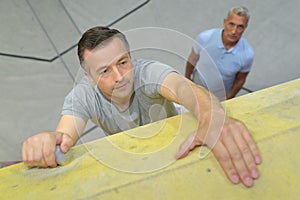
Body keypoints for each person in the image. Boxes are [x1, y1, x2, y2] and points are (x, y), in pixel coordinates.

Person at [22, 26, 261, 187]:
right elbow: (65, 135)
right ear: (90, 77)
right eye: (105, 71)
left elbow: (182, 88)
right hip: (135, 154)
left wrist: (211, 114)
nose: (119, 76)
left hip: (174, 144)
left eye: (123, 62)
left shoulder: (148, 71)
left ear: (130, 57)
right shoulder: (83, 95)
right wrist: (49, 141)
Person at [185, 6, 254, 100]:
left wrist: (229, 98)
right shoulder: (205, 38)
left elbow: (240, 80)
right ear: (225, 22)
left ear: (245, 27)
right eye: (231, 24)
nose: (234, 31)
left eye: (240, 27)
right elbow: (192, 59)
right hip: (198, 86)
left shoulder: (247, 54)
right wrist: (187, 81)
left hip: (220, 95)